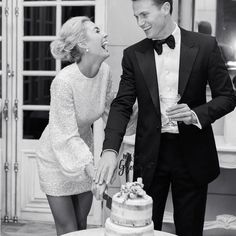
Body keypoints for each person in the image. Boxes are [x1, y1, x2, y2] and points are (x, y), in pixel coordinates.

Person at [94, 0, 236, 235]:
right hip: (150, 154)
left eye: (144, 14)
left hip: (193, 152)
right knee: (143, 228)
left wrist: (195, 115)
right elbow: (121, 105)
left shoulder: (205, 45)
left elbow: (227, 97)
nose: (140, 23)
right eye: (136, 16)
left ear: (166, 8)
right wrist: (109, 150)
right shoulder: (133, 55)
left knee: (189, 229)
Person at [36, 16, 110, 235]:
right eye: (97, 31)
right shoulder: (63, 82)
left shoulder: (105, 72)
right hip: (56, 155)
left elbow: (111, 113)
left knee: (81, 224)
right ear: (83, 44)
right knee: (68, 229)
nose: (104, 34)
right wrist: (93, 171)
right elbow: (66, 135)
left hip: (82, 152)